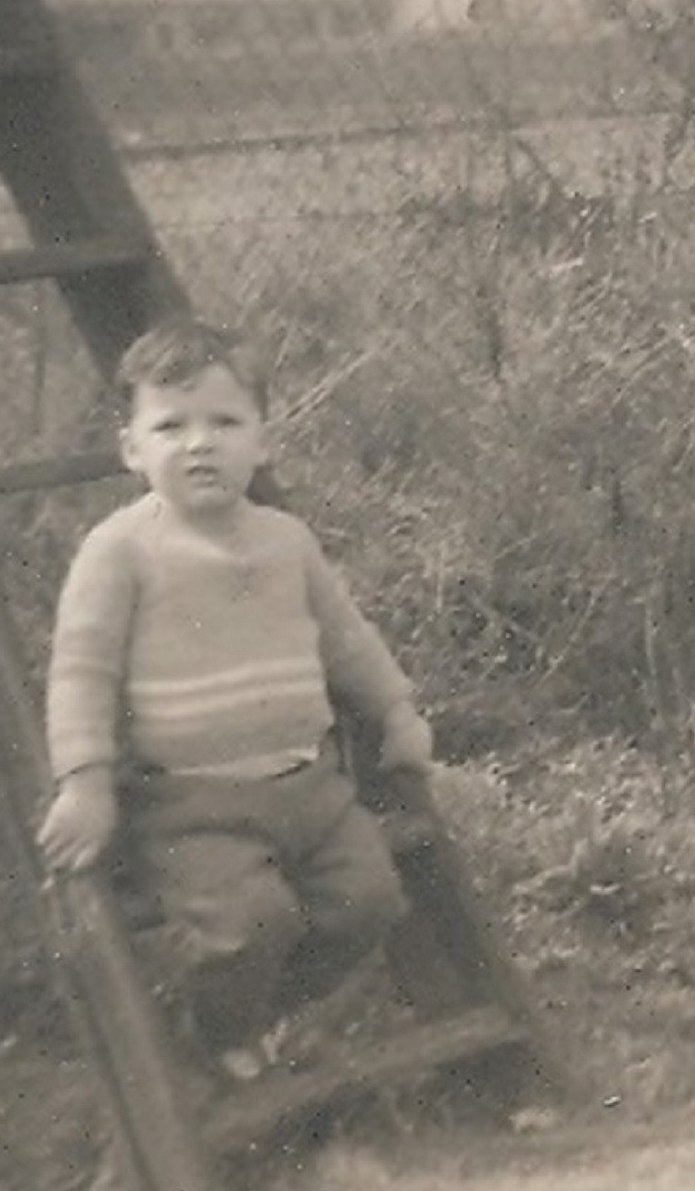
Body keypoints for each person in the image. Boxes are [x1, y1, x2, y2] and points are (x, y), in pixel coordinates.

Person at [37, 316, 433, 1080]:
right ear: (132, 448)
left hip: (311, 790)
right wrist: (84, 782)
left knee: (370, 900)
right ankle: (214, 1032)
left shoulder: (286, 540)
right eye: (171, 425)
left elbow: (346, 639)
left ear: (262, 441)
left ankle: (269, 1011)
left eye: (225, 422)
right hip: (193, 804)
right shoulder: (120, 552)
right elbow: (80, 671)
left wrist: (397, 711)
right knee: (250, 924)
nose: (199, 443)